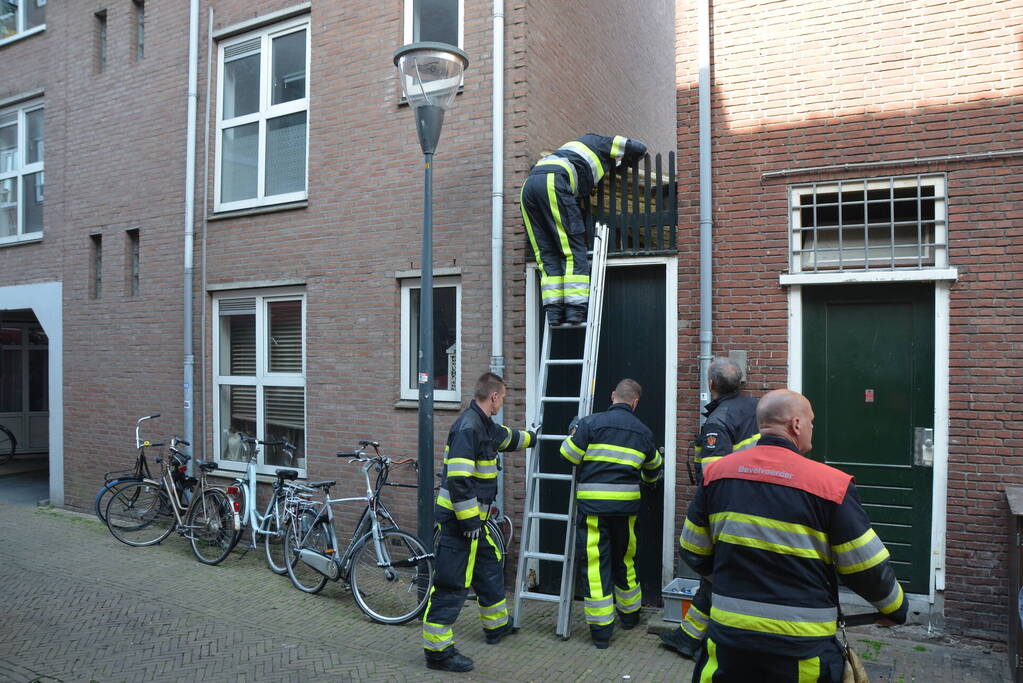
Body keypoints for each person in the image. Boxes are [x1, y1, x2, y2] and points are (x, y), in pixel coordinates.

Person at [679, 389, 907, 682]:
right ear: (796, 425)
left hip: (729, 643)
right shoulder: (830, 486)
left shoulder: (717, 475)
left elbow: (692, 549)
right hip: (800, 650)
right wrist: (896, 608)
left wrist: (732, 579)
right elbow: (865, 568)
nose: (812, 428)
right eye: (811, 421)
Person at [422, 372, 535, 673]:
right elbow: (458, 479)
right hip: (461, 522)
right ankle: (438, 651)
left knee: (487, 568)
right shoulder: (469, 428)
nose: (503, 404)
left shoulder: (484, 425)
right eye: (503, 398)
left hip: (475, 521)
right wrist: (471, 520)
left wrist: (536, 436)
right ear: (494, 397)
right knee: (452, 583)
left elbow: (508, 439)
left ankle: (496, 625)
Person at [660, 357, 759, 658]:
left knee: (713, 567)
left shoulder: (719, 421)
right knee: (716, 575)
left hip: (731, 513)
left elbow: (715, 479)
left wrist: (711, 522)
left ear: (711, 384)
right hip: (761, 505)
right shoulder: (760, 408)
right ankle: (688, 636)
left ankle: (709, 636)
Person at [559, 378, 662, 648]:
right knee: (625, 559)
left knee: (595, 563)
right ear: (635, 403)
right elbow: (654, 469)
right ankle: (629, 616)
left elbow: (568, 455)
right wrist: (649, 482)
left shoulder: (590, 424)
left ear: (612, 395)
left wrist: (573, 430)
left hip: (594, 508)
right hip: (627, 508)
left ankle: (602, 632)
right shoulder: (643, 432)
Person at [520, 134, 647, 325]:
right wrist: (633, 159)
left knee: (546, 253)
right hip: (553, 182)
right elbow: (637, 146)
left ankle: (554, 313)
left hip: (528, 188)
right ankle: (575, 310)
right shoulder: (598, 141)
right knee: (572, 249)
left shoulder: (570, 152)